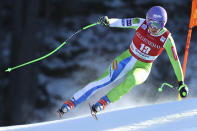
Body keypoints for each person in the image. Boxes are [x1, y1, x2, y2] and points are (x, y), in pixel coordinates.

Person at [57, 6, 189, 117]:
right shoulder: (140, 23)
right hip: (126, 58)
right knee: (104, 80)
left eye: (158, 25)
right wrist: (108, 21)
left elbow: (175, 61)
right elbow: (121, 22)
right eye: (151, 23)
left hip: (143, 68)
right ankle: (71, 102)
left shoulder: (166, 38)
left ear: (163, 24)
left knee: (131, 80)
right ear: (147, 20)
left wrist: (181, 83)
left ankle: (103, 102)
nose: (153, 28)